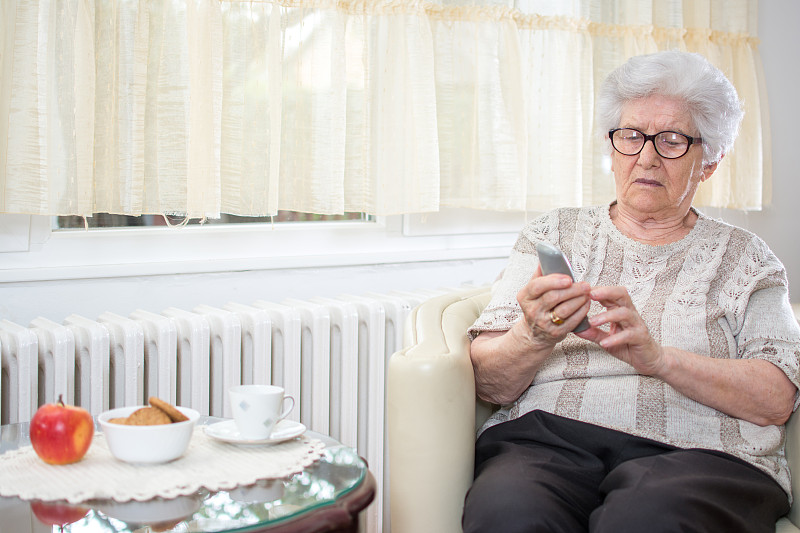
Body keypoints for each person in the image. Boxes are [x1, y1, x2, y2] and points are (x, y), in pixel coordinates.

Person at [462, 50, 800, 533]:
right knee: (509, 512)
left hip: (699, 455)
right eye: (632, 136)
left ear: (710, 161)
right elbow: (489, 382)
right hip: (548, 441)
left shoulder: (747, 258)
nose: (646, 157)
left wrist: (660, 359)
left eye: (671, 140)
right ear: (613, 144)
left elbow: (777, 397)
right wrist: (534, 335)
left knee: (646, 519)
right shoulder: (555, 232)